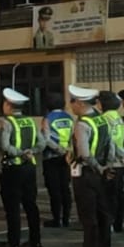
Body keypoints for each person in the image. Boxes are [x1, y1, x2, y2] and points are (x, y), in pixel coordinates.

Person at [66, 86, 113, 247]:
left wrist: (96, 167)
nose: (71, 106)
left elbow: (85, 154)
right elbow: (111, 146)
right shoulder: (102, 120)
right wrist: (106, 166)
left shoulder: (82, 124)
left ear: (80, 103)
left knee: (88, 214)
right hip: (101, 171)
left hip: (86, 173)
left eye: (72, 102)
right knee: (102, 212)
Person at [0, 87, 44, 247]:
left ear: (9, 106)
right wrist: (31, 152)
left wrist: (20, 153)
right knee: (31, 205)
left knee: (13, 208)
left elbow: (5, 146)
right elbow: (42, 142)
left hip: (13, 169)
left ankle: (14, 242)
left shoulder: (6, 122)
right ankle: (35, 240)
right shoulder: (30, 121)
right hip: (29, 167)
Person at [42, 98, 74, 229]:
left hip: (52, 156)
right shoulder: (69, 117)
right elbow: (72, 136)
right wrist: (68, 151)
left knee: (54, 189)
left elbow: (46, 139)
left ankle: (57, 218)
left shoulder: (48, 118)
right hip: (67, 156)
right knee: (65, 188)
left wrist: (58, 149)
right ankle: (66, 217)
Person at [100, 91, 124, 233]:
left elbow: (109, 141)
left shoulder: (104, 118)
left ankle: (109, 222)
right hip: (121, 160)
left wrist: (109, 162)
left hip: (110, 161)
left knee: (108, 194)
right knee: (119, 193)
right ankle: (119, 222)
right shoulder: (118, 117)